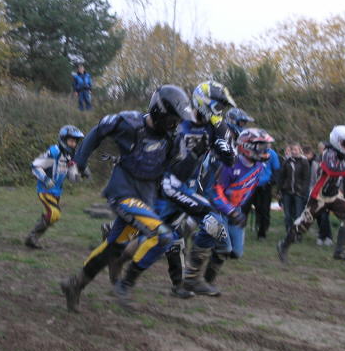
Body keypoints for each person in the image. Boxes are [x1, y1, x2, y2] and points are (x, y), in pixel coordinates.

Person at [59, 85, 194, 313]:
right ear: (160, 112)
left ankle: (75, 284)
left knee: (113, 248)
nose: (176, 124)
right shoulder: (129, 123)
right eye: (173, 119)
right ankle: (125, 285)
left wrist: (193, 157)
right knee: (162, 235)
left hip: (146, 197)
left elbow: (173, 171)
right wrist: (78, 163)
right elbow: (97, 131)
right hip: (122, 192)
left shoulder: (173, 138)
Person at [110, 80, 237, 300]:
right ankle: (126, 271)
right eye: (218, 106)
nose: (220, 112)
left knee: (205, 228)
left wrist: (222, 141)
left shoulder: (214, 127)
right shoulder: (176, 121)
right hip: (164, 186)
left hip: (190, 189)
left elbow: (230, 159)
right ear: (204, 102)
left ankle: (188, 280)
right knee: (162, 238)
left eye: (222, 108)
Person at [183, 128, 274, 296]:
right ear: (247, 146)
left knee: (235, 252)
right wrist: (231, 211)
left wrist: (239, 209)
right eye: (261, 146)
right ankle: (194, 279)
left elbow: (247, 189)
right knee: (224, 246)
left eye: (266, 146)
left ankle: (206, 277)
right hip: (216, 208)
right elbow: (215, 192)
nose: (265, 150)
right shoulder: (229, 164)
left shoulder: (259, 166)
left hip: (234, 210)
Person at [277, 126, 345, 263]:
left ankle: (339, 251)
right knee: (303, 225)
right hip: (319, 196)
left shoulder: (344, 154)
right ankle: (284, 245)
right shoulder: (328, 153)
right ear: (337, 141)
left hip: (334, 195)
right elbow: (331, 170)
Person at [24, 125, 86, 249]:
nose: (73, 144)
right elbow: (35, 166)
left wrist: (79, 175)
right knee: (54, 214)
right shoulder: (54, 152)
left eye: (75, 141)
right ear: (63, 140)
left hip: (56, 192)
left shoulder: (69, 156)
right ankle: (32, 237)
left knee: (51, 216)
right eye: (71, 141)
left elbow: (72, 177)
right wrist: (45, 179)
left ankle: (32, 238)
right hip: (45, 190)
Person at [277, 143, 310, 239]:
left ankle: (298, 234)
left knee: (298, 214)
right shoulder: (286, 162)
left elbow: (306, 179)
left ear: (300, 150)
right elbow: (282, 177)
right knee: (287, 215)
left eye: (295, 150)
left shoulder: (304, 162)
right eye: (292, 150)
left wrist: (303, 191)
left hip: (298, 192)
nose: (294, 152)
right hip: (287, 191)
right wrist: (279, 190)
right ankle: (289, 233)